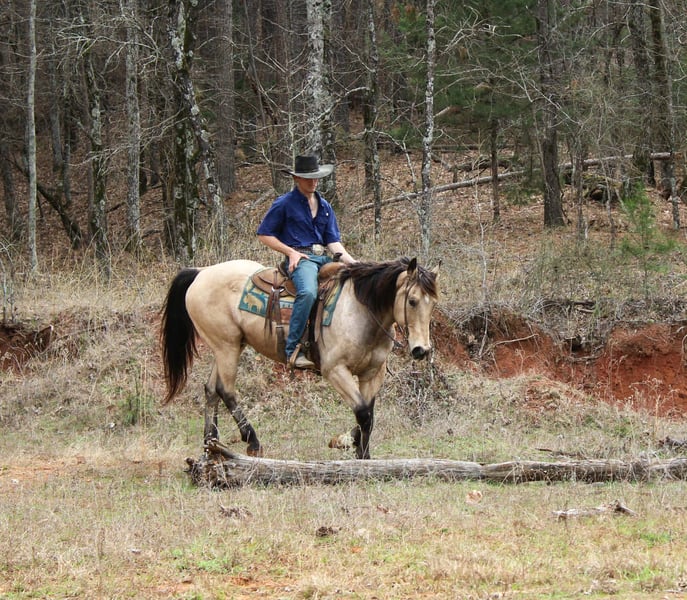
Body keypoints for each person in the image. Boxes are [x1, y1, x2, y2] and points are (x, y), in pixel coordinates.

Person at [257, 155, 356, 369]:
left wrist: (355, 264)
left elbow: (333, 242)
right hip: (302, 259)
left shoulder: (325, 206)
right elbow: (264, 234)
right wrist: (290, 252)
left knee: (350, 285)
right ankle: (293, 349)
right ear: (296, 178)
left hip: (325, 259)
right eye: (308, 178)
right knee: (309, 292)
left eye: (316, 178)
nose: (313, 182)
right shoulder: (284, 204)